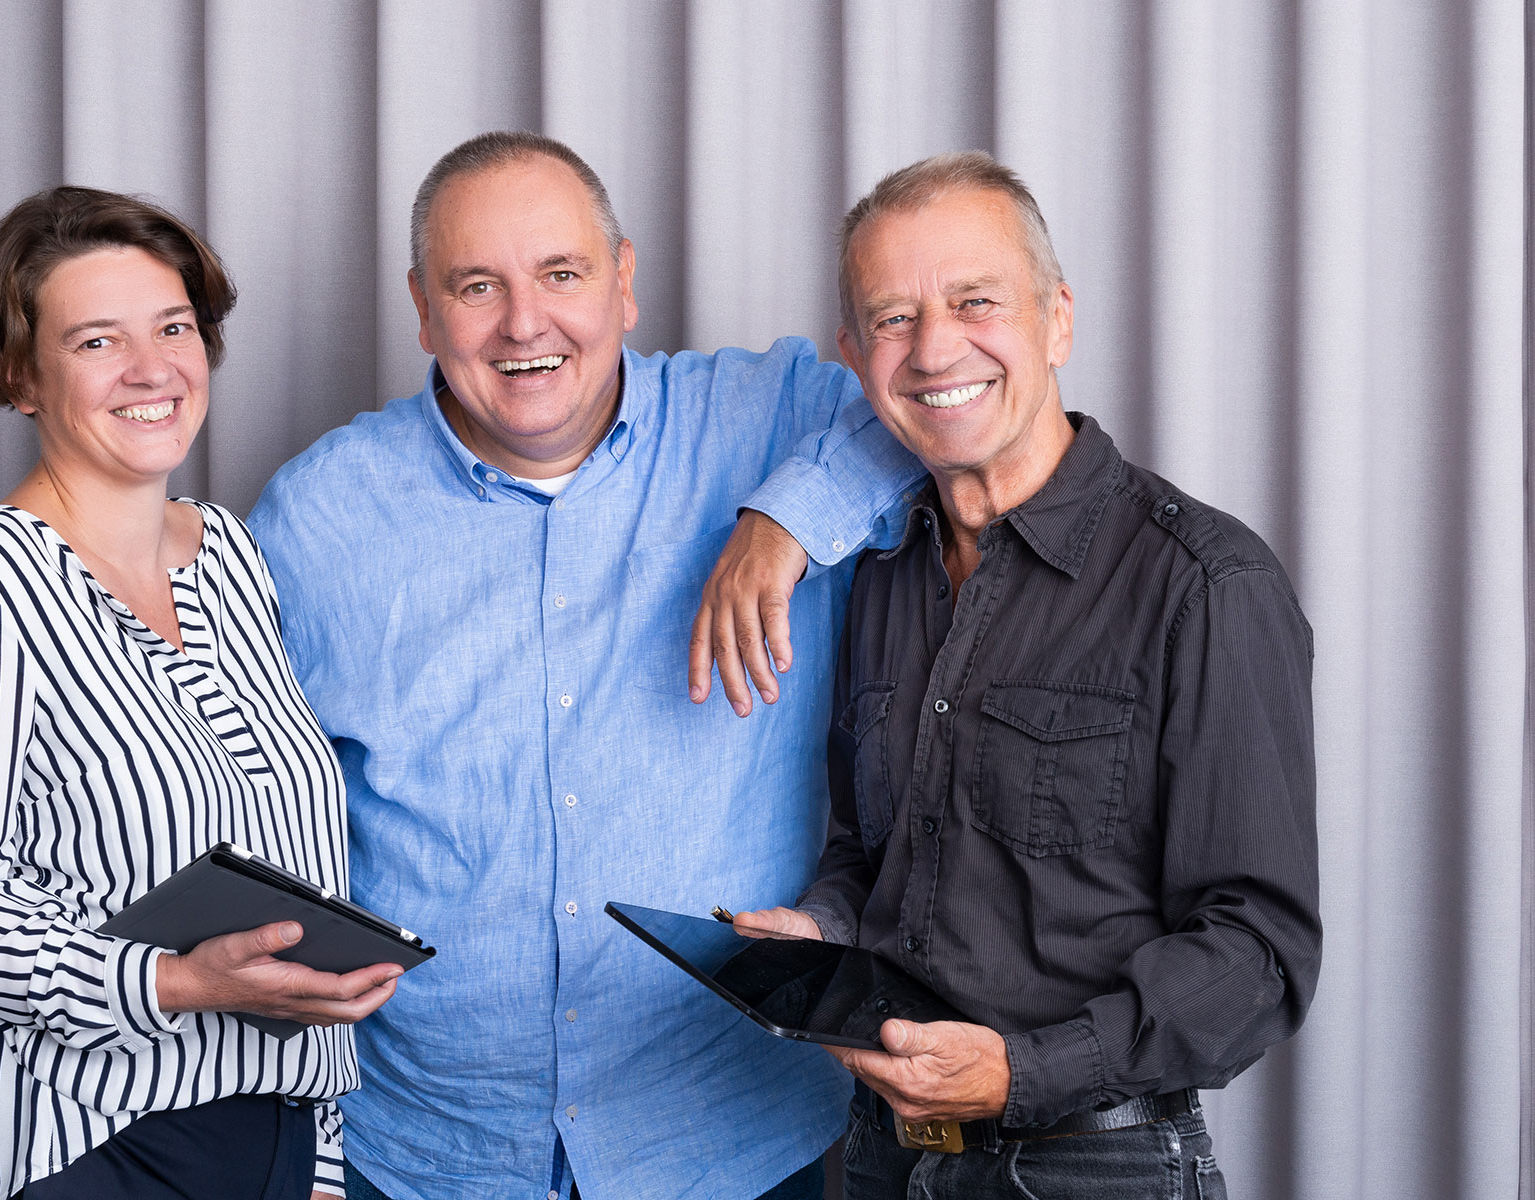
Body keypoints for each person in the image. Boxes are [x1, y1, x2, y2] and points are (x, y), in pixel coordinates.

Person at [249, 132, 926, 1200]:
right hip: (424, 1149)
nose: (526, 323)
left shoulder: (774, 421)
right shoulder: (314, 515)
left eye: (561, 274)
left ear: (624, 283)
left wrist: (784, 518)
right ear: (423, 310)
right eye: (478, 286)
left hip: (722, 1139)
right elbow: (236, 791)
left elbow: (936, 405)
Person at [738, 151, 1323, 1198]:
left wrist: (1019, 1072)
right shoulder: (879, 579)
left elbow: (1261, 954)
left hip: (1095, 1167)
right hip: (881, 1162)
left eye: (975, 302)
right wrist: (821, 929)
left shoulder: (1204, 584)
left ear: (1057, 321)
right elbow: (868, 858)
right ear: (853, 357)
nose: (934, 349)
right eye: (892, 319)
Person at [0, 186, 402, 1200]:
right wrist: (178, 981)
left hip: (274, 1140)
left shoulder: (231, 555)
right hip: (83, 1145)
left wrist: (321, 1158)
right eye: (97, 342)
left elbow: (294, 861)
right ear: (23, 375)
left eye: (173, 328)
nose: (152, 369)